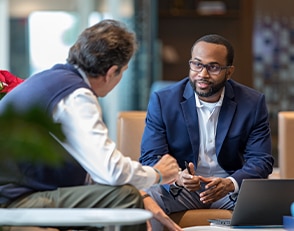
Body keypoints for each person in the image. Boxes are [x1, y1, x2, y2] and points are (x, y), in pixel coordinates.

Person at [0, 19, 183, 231]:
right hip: (12, 203)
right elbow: (111, 171)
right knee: (125, 198)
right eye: (122, 71)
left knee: (116, 194)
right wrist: (157, 174)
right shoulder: (77, 96)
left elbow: (96, 168)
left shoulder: (50, 79)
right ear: (111, 72)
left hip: (17, 195)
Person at [140, 34, 274, 230]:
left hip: (229, 188)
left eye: (213, 67)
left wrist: (229, 183)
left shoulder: (252, 103)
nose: (202, 74)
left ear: (229, 72)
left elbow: (261, 161)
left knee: (272, 203)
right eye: (197, 64)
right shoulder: (163, 101)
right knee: (144, 198)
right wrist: (178, 177)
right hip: (181, 189)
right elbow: (150, 157)